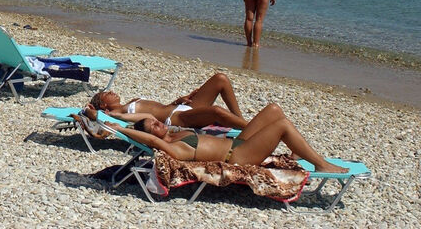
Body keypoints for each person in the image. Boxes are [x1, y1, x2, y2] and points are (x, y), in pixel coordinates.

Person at [88, 102, 348, 174]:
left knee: (273, 110)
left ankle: (298, 151)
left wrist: (106, 117)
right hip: (239, 156)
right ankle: (321, 164)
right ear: (150, 137)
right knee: (283, 125)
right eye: (154, 126)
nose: (157, 123)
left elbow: (144, 117)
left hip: (239, 143)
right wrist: (119, 129)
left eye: (156, 121)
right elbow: (152, 140)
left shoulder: (175, 132)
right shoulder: (173, 148)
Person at [89, 73, 247, 130]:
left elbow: (161, 107)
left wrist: (178, 101)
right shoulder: (117, 114)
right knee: (216, 111)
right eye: (106, 94)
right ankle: (249, 127)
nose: (111, 92)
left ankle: (241, 121)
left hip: (180, 108)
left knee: (220, 79)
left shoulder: (131, 102)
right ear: (103, 105)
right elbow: (94, 115)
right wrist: (89, 109)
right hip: (176, 119)